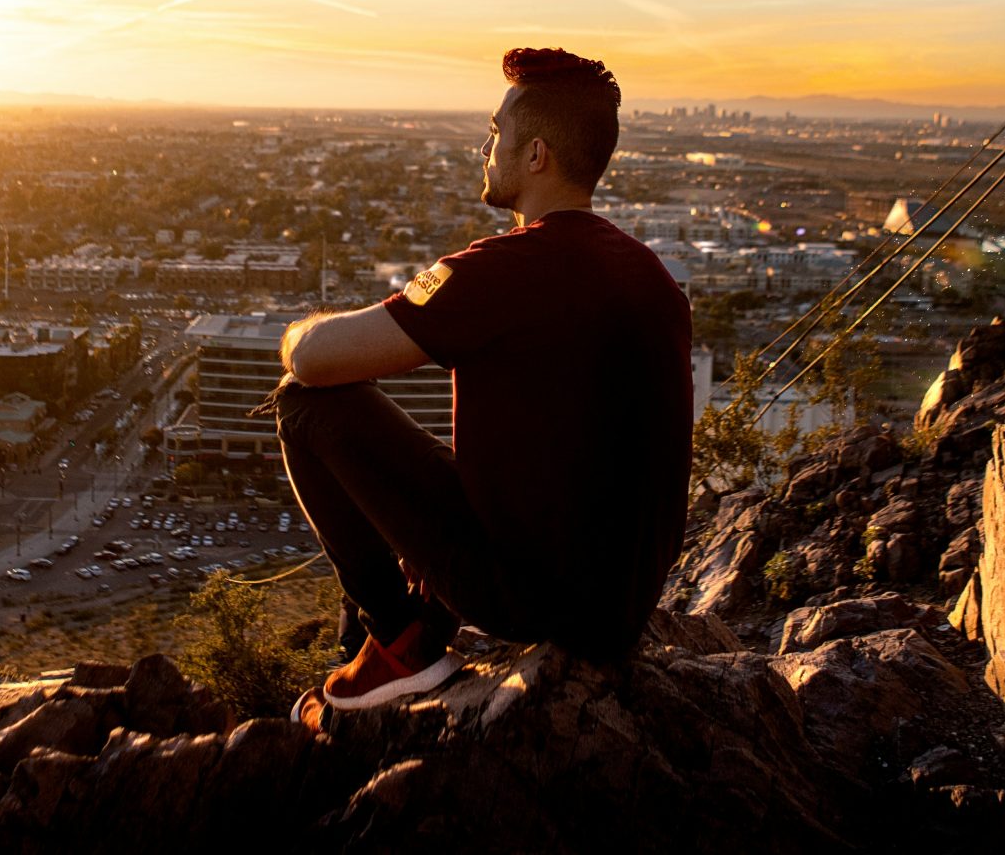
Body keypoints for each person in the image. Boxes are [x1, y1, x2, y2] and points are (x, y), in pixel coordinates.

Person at [271, 48, 692, 724]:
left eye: (495, 133)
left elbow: (317, 361)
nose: (484, 147)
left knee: (305, 407)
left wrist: (295, 333)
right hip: (623, 602)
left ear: (535, 156)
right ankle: (415, 626)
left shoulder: (501, 271)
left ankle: (397, 645)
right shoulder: (653, 276)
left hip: (532, 596)